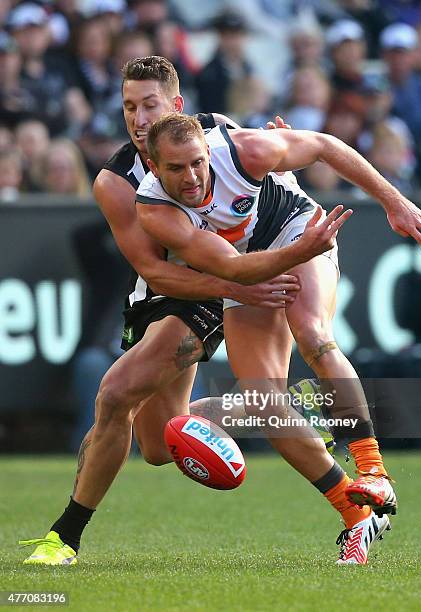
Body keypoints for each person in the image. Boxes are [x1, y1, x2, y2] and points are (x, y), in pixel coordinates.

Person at [19, 56, 308, 566]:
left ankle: (63, 538)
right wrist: (234, 282)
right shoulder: (115, 182)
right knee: (159, 444)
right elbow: (155, 274)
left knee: (114, 394)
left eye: (148, 104)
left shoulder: (213, 132)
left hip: (214, 282)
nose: (137, 116)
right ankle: (273, 408)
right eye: (129, 106)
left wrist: (240, 280)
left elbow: (263, 163)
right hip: (172, 289)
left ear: (175, 105)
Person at [133, 112, 421, 557]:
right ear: (155, 169)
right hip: (244, 270)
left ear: (208, 151)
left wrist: (395, 202)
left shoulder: (247, 151)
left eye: (197, 162)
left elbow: (325, 145)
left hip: (296, 230)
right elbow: (231, 269)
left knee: (313, 336)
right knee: (263, 401)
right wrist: (267, 268)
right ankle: (358, 515)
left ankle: (374, 471)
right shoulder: (154, 209)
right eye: (176, 168)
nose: (193, 177)